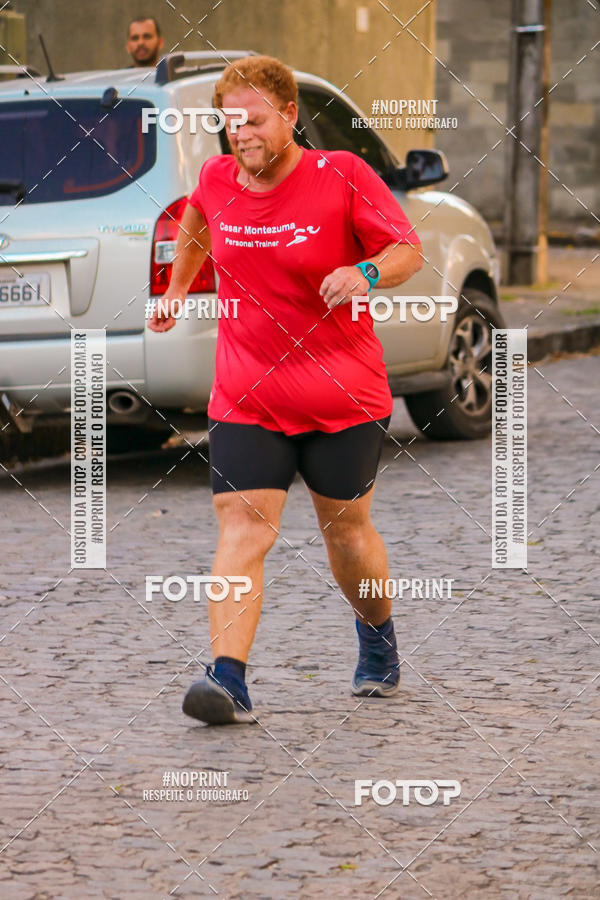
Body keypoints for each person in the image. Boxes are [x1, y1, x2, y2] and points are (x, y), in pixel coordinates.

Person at [148, 55, 423, 725]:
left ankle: (377, 639)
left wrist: (365, 271)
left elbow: (407, 249)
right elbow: (195, 225)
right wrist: (178, 288)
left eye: (254, 120)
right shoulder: (216, 178)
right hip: (248, 394)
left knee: (348, 535)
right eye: (229, 123)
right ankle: (227, 679)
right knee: (242, 528)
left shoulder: (344, 177)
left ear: (291, 116)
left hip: (340, 396)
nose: (240, 134)